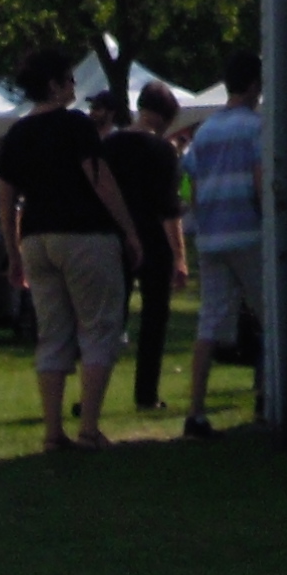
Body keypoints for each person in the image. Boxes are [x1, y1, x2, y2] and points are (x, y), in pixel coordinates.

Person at [0, 43, 143, 454]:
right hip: (84, 236)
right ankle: (90, 428)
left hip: (36, 239)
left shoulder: (17, 134)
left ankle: (52, 431)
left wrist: (12, 249)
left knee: (53, 334)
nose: (74, 87)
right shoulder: (75, 126)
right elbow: (101, 180)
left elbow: (6, 198)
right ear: (55, 85)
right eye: (69, 80)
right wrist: (129, 231)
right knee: (99, 329)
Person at [181, 52, 266, 437]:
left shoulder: (203, 132)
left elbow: (192, 187)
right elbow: (261, 181)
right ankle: (271, 397)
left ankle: (195, 411)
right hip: (248, 232)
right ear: (254, 86)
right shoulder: (257, 128)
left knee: (209, 322)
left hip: (211, 235)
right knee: (271, 315)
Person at [106, 84, 187, 417]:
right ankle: (146, 392)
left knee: (110, 318)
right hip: (152, 237)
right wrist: (179, 256)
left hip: (115, 237)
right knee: (154, 317)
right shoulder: (162, 151)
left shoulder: (108, 146)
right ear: (163, 116)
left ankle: (94, 389)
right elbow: (169, 209)